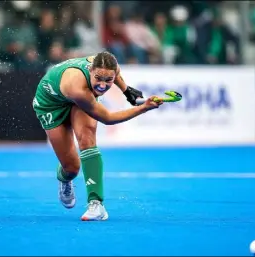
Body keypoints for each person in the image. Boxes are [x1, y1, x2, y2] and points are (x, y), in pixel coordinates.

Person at [32, 51, 163, 221]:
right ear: (90, 70)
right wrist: (143, 108)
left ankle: (96, 205)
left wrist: (126, 90)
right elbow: (108, 118)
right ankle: (65, 179)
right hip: (50, 104)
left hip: (78, 96)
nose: (102, 85)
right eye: (98, 78)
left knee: (87, 139)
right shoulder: (79, 89)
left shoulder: (108, 66)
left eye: (108, 80)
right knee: (71, 168)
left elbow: (115, 72)